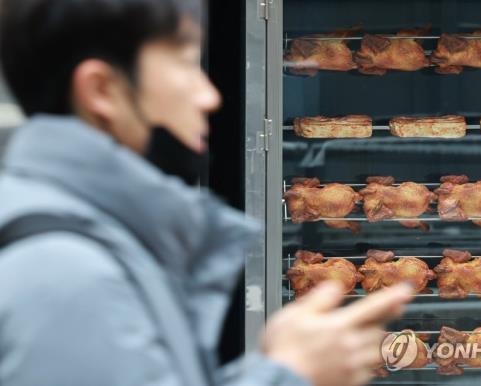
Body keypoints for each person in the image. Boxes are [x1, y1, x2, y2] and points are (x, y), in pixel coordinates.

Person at [0, 1, 412, 386]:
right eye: (185, 64)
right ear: (101, 90)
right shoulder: (68, 275)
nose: (210, 96)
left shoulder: (99, 242)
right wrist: (289, 373)